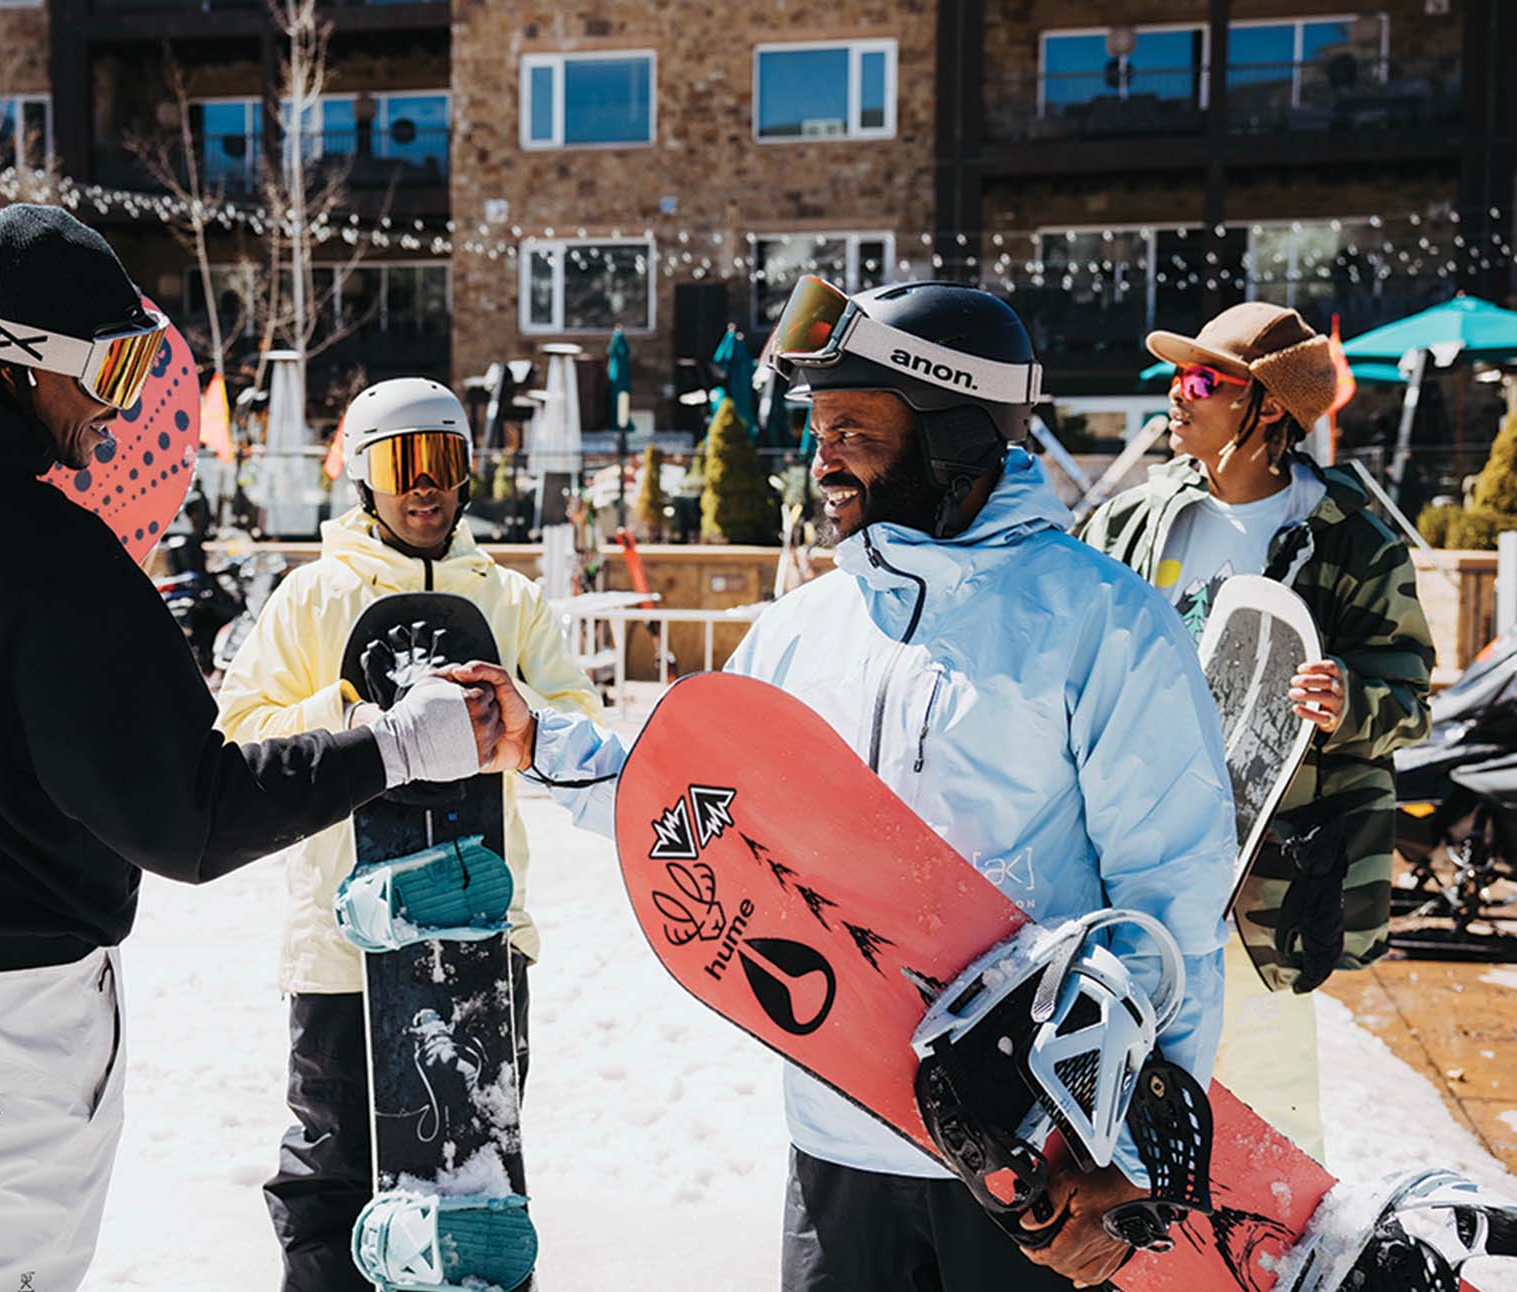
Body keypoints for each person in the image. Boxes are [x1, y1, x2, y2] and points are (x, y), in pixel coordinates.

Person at [0, 204, 516, 1292]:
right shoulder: (39, 551)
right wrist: (405, 739)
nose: (123, 416)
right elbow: (193, 812)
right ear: (22, 362)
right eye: (118, 367)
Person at [454, 278, 1238, 1291]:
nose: (822, 459)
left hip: (1033, 1167)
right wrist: (540, 741)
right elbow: (688, 800)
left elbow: (1171, 903)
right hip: (838, 1138)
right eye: (818, 427)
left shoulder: (1101, 622)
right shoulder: (804, 627)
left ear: (952, 436)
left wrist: (1130, 1171)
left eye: (852, 427)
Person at [213, 376, 604, 1292]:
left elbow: (577, 729)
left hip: (481, 941)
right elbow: (237, 739)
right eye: (402, 464)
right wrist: (348, 710)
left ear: (468, 474)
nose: (424, 486)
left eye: (444, 462)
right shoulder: (312, 599)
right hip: (341, 952)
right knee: (332, 1169)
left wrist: (516, 718)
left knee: (476, 1169)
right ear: (362, 475)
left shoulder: (508, 601)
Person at [1079, 301, 1434, 1156]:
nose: (1176, 394)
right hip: (1133, 863)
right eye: (1175, 375)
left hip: (1271, 891)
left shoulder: (1352, 540)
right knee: (1118, 1102)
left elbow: (1411, 695)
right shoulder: (1136, 521)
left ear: (1267, 407)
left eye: (1202, 379)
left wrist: (1349, 700)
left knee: (1267, 1125)